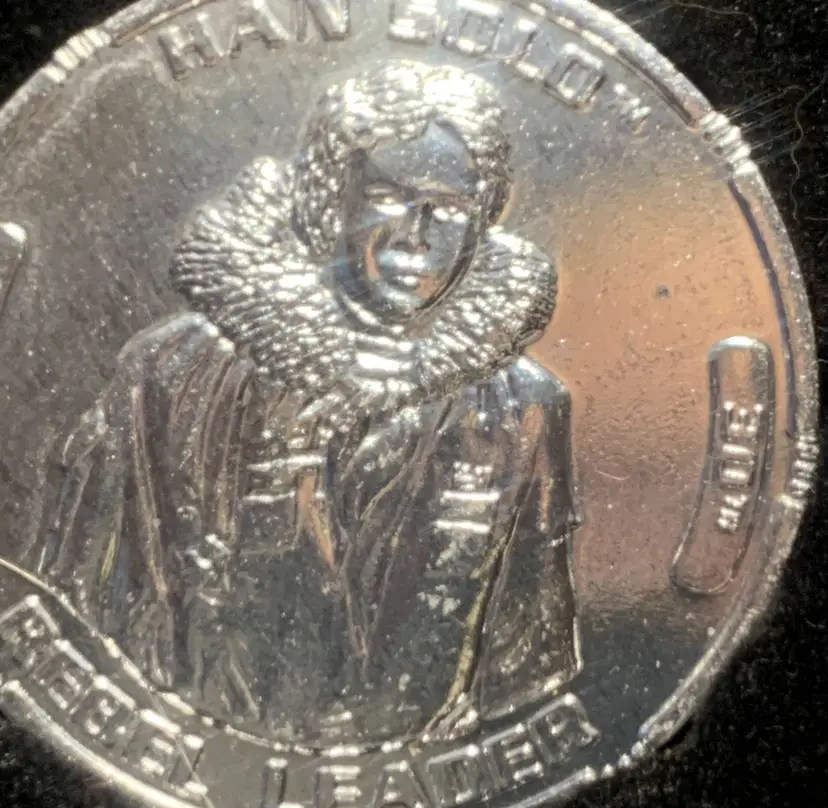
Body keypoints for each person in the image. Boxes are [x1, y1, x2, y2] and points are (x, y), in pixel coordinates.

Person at [37, 61, 582, 747]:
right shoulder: (169, 373)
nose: (415, 234)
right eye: (386, 195)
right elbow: (77, 599)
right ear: (332, 203)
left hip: (416, 771)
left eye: (447, 208)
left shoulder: (524, 407)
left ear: (482, 222)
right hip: (187, 751)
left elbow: (528, 655)